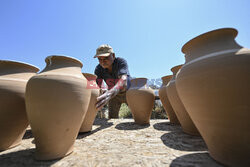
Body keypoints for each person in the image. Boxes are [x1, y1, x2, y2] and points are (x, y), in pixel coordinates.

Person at [94, 44, 131, 118]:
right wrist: (103, 90)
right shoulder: (98, 68)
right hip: (114, 96)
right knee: (112, 118)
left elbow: (123, 80)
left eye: (105, 58)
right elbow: (97, 84)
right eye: (99, 59)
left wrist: (109, 93)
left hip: (129, 92)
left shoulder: (121, 62)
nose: (102, 61)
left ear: (113, 56)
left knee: (138, 115)